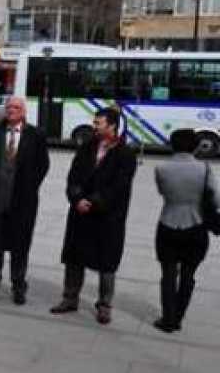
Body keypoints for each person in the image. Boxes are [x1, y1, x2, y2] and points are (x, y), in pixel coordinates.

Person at [50, 108, 137, 325]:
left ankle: (104, 305)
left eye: (98, 123)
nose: (94, 126)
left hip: (107, 217)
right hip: (80, 213)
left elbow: (119, 186)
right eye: (95, 122)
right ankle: (70, 298)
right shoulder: (87, 146)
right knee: (74, 258)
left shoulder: (125, 153)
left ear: (112, 126)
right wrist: (77, 198)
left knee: (107, 262)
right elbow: (73, 176)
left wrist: (94, 202)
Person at [0, 96, 50, 305]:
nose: (11, 110)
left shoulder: (36, 135)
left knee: (20, 246)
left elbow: (43, 165)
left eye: (16, 107)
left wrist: (29, 186)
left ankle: (18, 286)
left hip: (23, 202)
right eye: (9, 107)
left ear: (23, 111)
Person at [152, 129, 217, 333]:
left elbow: (163, 192)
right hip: (196, 227)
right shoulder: (205, 169)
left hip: (168, 224)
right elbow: (216, 200)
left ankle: (167, 319)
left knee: (168, 274)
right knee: (188, 275)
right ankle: (178, 317)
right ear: (195, 146)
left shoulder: (161, 168)